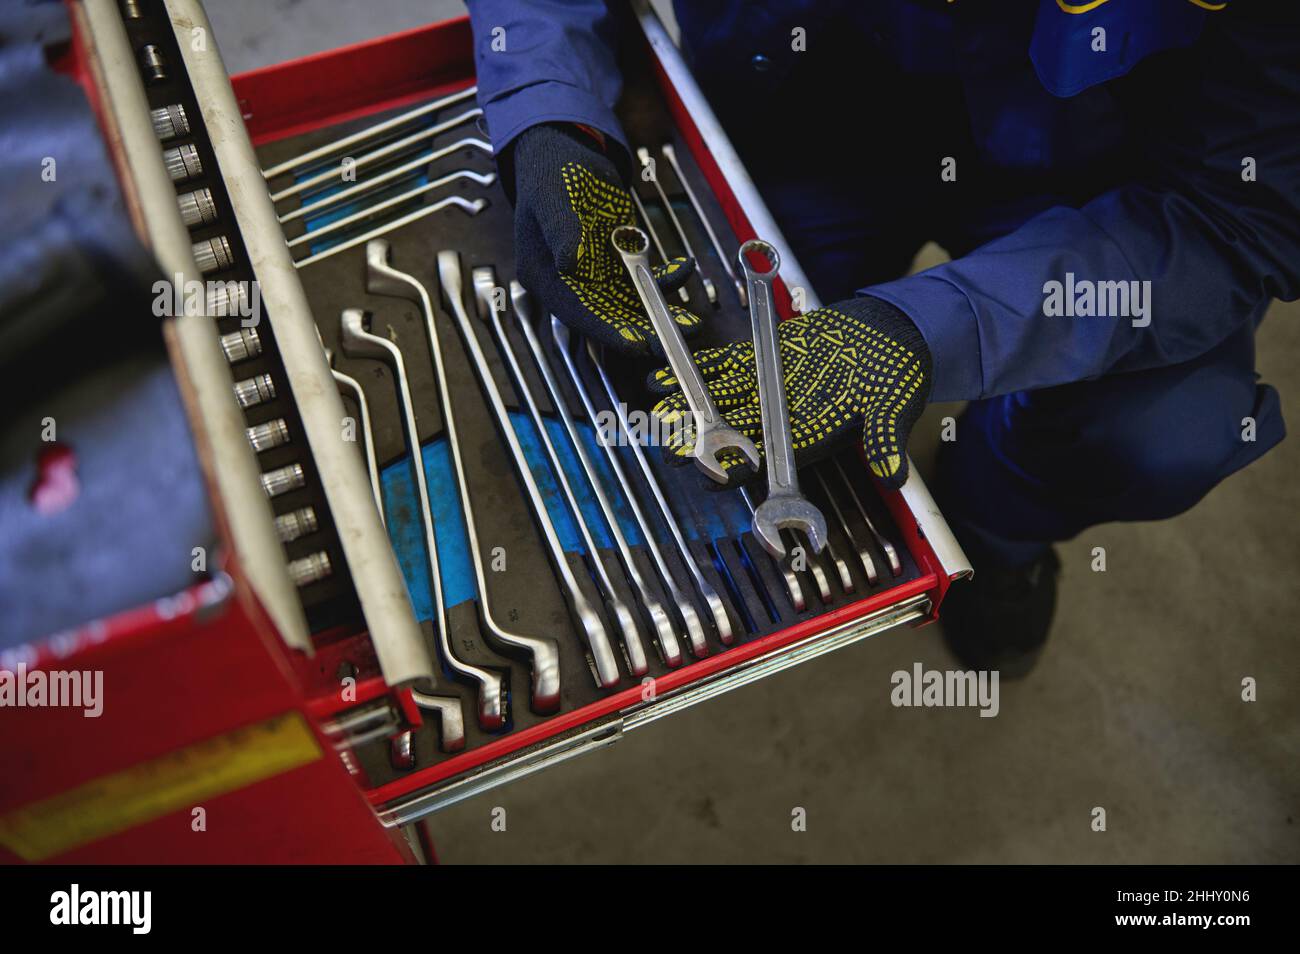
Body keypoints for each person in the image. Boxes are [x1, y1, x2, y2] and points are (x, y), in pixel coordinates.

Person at [465, 0, 1297, 674]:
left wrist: (920, 330)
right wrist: (550, 112)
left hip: (1102, 177)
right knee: (733, 355)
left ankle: (994, 521)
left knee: (1159, 432)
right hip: (805, 101)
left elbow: (1238, 214)